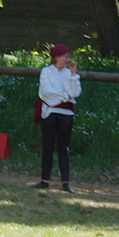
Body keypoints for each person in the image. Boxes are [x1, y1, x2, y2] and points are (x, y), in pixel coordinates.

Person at [34, 43, 81, 192]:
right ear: (57, 57)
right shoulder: (46, 72)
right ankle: (44, 180)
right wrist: (63, 97)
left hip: (66, 114)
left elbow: (75, 93)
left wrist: (73, 76)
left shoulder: (69, 74)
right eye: (65, 56)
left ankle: (66, 182)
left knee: (63, 147)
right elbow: (46, 92)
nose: (68, 59)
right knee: (48, 146)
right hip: (49, 111)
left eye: (68, 56)